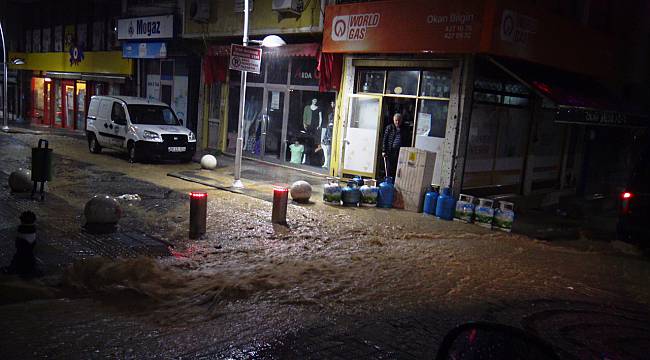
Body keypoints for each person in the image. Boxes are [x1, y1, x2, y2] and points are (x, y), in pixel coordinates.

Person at [382, 113, 404, 178]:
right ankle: (388, 181)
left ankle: (395, 181)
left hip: (399, 151)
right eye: (396, 120)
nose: (397, 122)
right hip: (390, 151)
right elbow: (385, 140)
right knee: (389, 168)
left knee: (397, 168)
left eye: (399, 120)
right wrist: (384, 150)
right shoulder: (389, 127)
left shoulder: (403, 129)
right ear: (393, 120)